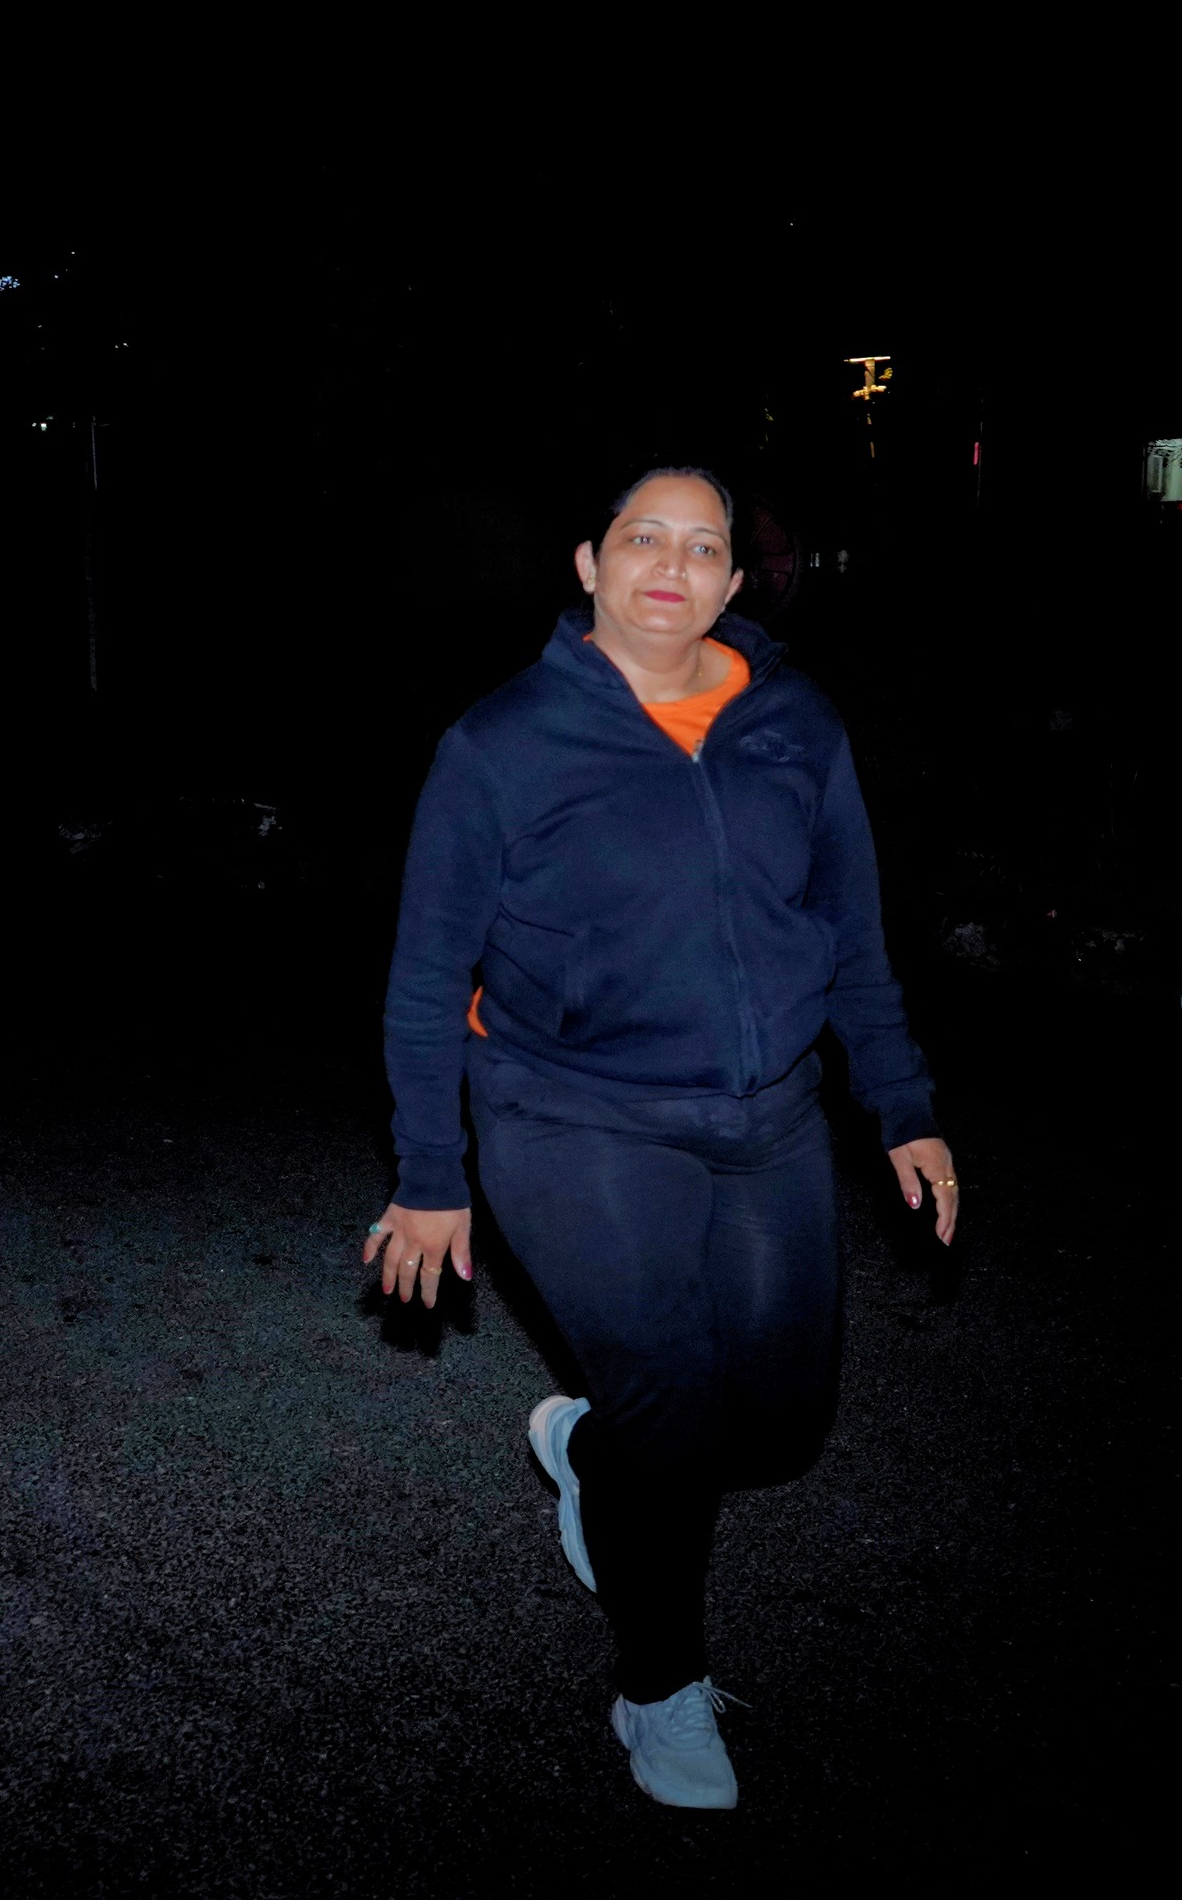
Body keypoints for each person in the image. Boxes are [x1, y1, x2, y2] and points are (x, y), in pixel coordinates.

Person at [374, 467, 957, 1809]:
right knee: (672, 1407)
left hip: (767, 1114)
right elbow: (424, 976)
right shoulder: (502, 743)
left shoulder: (795, 721)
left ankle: (594, 1457)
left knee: (780, 1425)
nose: (671, 566)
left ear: (736, 583)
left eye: (703, 547)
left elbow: (853, 932)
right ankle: (660, 1682)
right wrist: (428, 1176)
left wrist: (904, 1102)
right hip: (568, 1113)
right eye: (645, 538)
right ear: (590, 563)